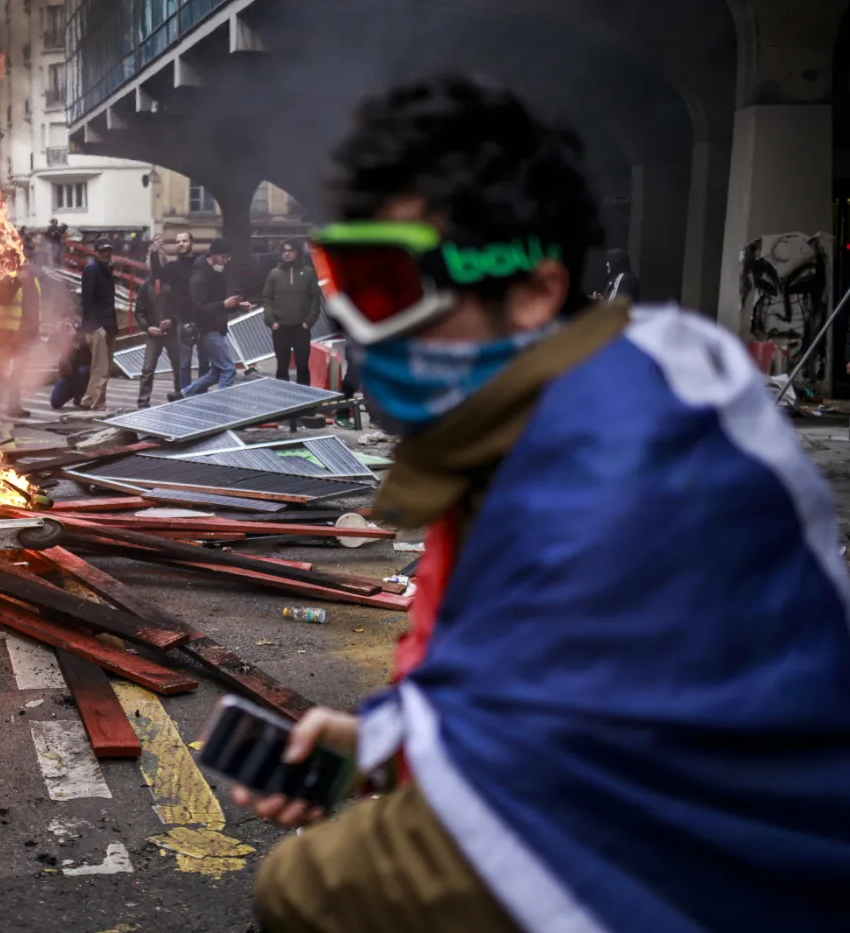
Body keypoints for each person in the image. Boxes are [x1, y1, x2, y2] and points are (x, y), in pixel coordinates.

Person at [241, 74, 850, 933]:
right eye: (339, 279)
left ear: (527, 287)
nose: (350, 324)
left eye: (386, 285)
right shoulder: (542, 424)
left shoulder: (619, 470)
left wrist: (312, 882)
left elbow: (560, 814)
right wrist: (387, 739)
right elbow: (525, 672)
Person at [182, 239, 241, 396]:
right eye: (223, 257)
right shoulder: (200, 276)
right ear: (213, 255)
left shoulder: (216, 273)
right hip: (207, 329)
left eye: (228, 257)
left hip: (217, 327)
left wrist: (236, 305)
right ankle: (222, 406)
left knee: (216, 372)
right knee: (228, 370)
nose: (226, 261)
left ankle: (185, 393)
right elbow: (199, 308)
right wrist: (223, 304)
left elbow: (218, 303)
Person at [261, 239, 321, 384]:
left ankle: (305, 400)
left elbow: (315, 297)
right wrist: (272, 321)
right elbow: (267, 299)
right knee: (282, 366)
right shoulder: (274, 273)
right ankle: (284, 400)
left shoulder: (308, 272)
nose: (287, 254)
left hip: (301, 327)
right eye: (284, 251)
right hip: (280, 327)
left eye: (290, 251)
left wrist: (309, 321)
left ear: (298, 252)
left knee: (302, 365)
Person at [153, 232, 200, 400]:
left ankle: (202, 395)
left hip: (201, 317)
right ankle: (185, 395)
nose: (181, 244)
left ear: (191, 242)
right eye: (178, 241)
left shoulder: (199, 264)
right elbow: (157, 272)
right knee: (185, 362)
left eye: (184, 241)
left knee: (204, 362)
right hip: (183, 318)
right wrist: (154, 252)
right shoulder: (173, 267)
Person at [0, 257, 41, 418]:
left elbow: (34, 309)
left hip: (24, 334)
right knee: (1, 370)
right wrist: (16, 282)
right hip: (7, 333)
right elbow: (3, 299)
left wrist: (34, 332)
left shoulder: (33, 281)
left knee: (18, 372)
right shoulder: (5, 276)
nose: (27, 265)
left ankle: (14, 406)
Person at [78, 237, 119, 410]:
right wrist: (96, 327)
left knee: (105, 369)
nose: (106, 254)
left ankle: (99, 403)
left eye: (108, 251)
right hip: (98, 327)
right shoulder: (92, 269)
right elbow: (86, 300)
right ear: (96, 252)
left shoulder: (104, 269)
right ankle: (89, 401)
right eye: (102, 251)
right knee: (100, 369)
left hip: (107, 325)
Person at [132, 271, 180, 407]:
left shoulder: (173, 283)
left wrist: (173, 321)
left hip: (172, 333)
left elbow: (182, 307)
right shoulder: (146, 285)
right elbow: (139, 310)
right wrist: (147, 327)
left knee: (178, 367)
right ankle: (143, 402)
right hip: (153, 333)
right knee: (148, 368)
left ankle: (181, 397)